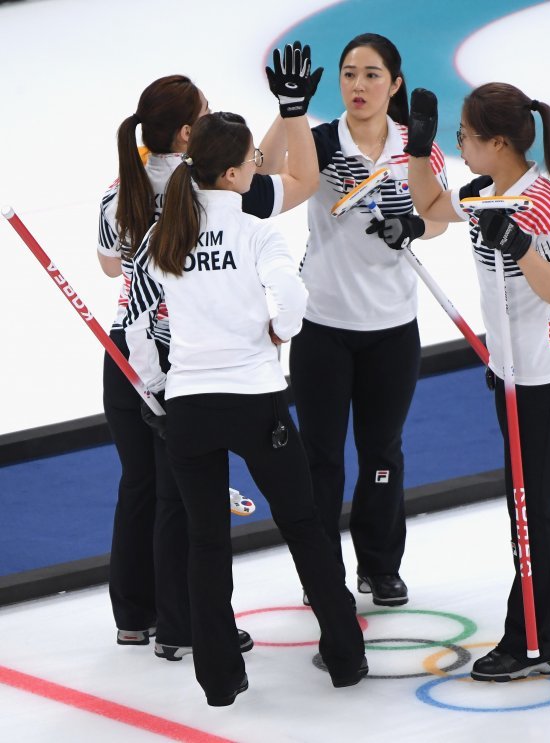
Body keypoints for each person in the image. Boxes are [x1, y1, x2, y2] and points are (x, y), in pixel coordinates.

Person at [124, 111, 367, 706]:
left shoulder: (165, 234)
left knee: (207, 544)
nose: (259, 167)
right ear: (233, 173)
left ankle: (220, 679)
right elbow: (291, 298)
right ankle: (343, 656)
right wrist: (279, 331)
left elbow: (136, 328)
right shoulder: (258, 231)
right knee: (304, 527)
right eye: (254, 161)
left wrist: (156, 390)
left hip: (189, 408)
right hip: (257, 401)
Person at [97, 44, 322, 660]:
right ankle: (184, 628)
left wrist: (279, 115)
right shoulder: (208, 194)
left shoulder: (126, 179)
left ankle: (135, 617)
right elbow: (285, 177)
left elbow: (110, 261)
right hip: (179, 358)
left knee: (139, 486)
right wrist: (293, 113)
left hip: (126, 351)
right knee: (182, 501)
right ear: (190, 131)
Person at [401, 82, 550, 681]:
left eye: (464, 139)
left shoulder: (542, 203)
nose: (460, 148)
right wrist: (420, 151)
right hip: (511, 369)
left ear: (498, 143)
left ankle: (531, 640)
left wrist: (520, 246)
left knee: (531, 509)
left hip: (544, 377)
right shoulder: (487, 190)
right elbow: (431, 208)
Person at [278, 33, 447, 607]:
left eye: (372, 75)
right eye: (349, 74)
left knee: (382, 453)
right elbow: (263, 173)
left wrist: (417, 227)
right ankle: (322, 572)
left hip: (392, 328)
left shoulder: (415, 145)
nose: (358, 85)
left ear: (395, 84)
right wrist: (289, 113)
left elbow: (438, 214)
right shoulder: (321, 142)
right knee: (321, 457)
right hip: (323, 325)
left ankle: (380, 565)